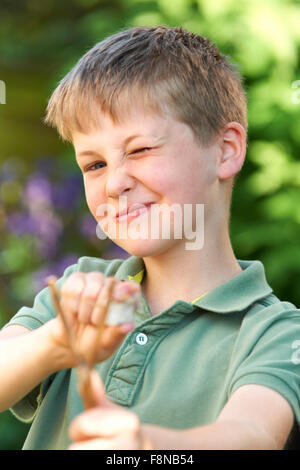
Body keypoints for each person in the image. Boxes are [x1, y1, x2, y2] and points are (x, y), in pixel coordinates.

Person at [1, 25, 300, 450]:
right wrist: (55, 343)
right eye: (94, 165)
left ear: (226, 150)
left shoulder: (277, 334)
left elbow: (251, 435)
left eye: (139, 150)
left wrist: (143, 448)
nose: (114, 183)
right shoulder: (79, 290)